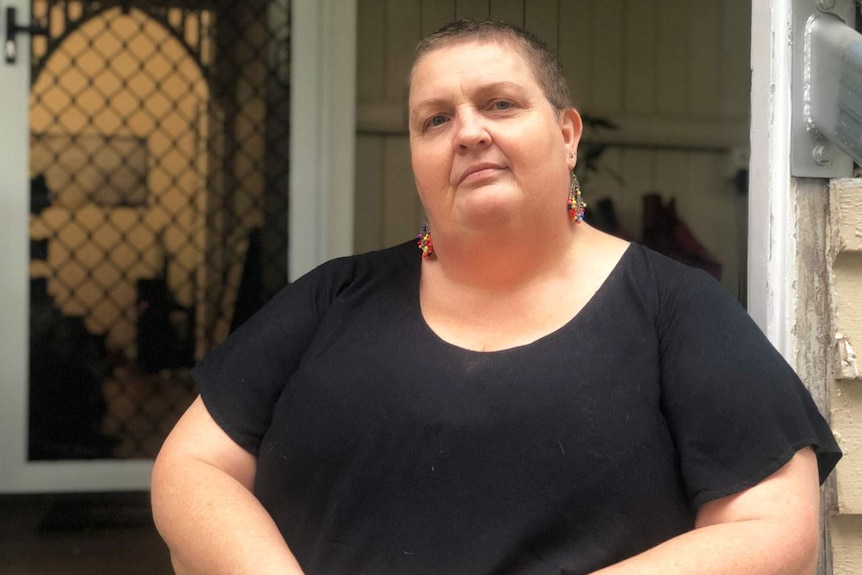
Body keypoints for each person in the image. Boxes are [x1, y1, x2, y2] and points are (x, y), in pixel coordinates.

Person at [151, 19, 842, 575]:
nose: (469, 132)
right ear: (417, 158)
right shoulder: (332, 297)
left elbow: (774, 529)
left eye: (500, 104)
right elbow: (190, 467)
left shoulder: (677, 310)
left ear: (568, 134)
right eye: (434, 120)